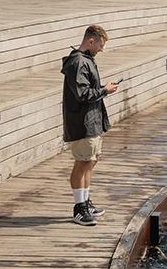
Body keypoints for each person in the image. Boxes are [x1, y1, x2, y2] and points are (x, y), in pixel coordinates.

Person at [61, 25, 119, 226]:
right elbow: (82, 94)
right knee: (83, 162)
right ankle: (79, 208)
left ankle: (85, 202)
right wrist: (105, 90)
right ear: (91, 41)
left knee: (91, 160)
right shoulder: (78, 63)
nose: (101, 50)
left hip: (92, 120)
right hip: (82, 122)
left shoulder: (86, 61)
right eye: (100, 45)